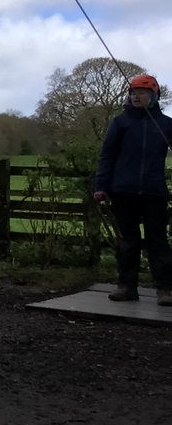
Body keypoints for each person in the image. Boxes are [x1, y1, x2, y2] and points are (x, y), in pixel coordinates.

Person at [93, 73, 172, 304]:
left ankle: (165, 290)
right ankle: (127, 287)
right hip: (123, 191)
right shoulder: (120, 122)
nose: (137, 97)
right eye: (133, 92)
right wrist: (101, 186)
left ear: (154, 96)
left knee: (158, 241)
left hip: (154, 192)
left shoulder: (167, 124)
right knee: (128, 241)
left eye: (143, 93)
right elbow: (107, 156)